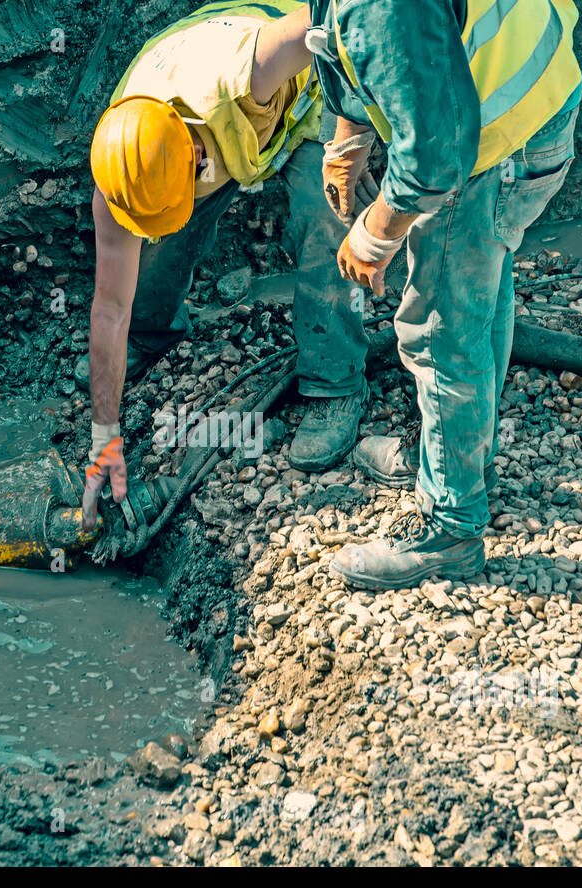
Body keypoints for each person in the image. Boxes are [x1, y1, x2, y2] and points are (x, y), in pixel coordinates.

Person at [303, 0, 582, 589]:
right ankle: (466, 463)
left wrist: (379, 231)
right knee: (479, 294)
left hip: (495, 141)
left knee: (440, 329)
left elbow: (435, 158)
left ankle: (450, 524)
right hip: (537, 100)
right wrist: (350, 132)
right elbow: (351, 32)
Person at [80, 0, 373, 530]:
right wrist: (105, 436)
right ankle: (153, 332)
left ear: (197, 159)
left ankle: (335, 382)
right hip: (206, 105)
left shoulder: (252, 71)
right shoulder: (125, 164)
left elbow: (338, 19)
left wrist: (358, 132)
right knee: (159, 248)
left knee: (325, 212)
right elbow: (108, 310)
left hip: (306, 100)